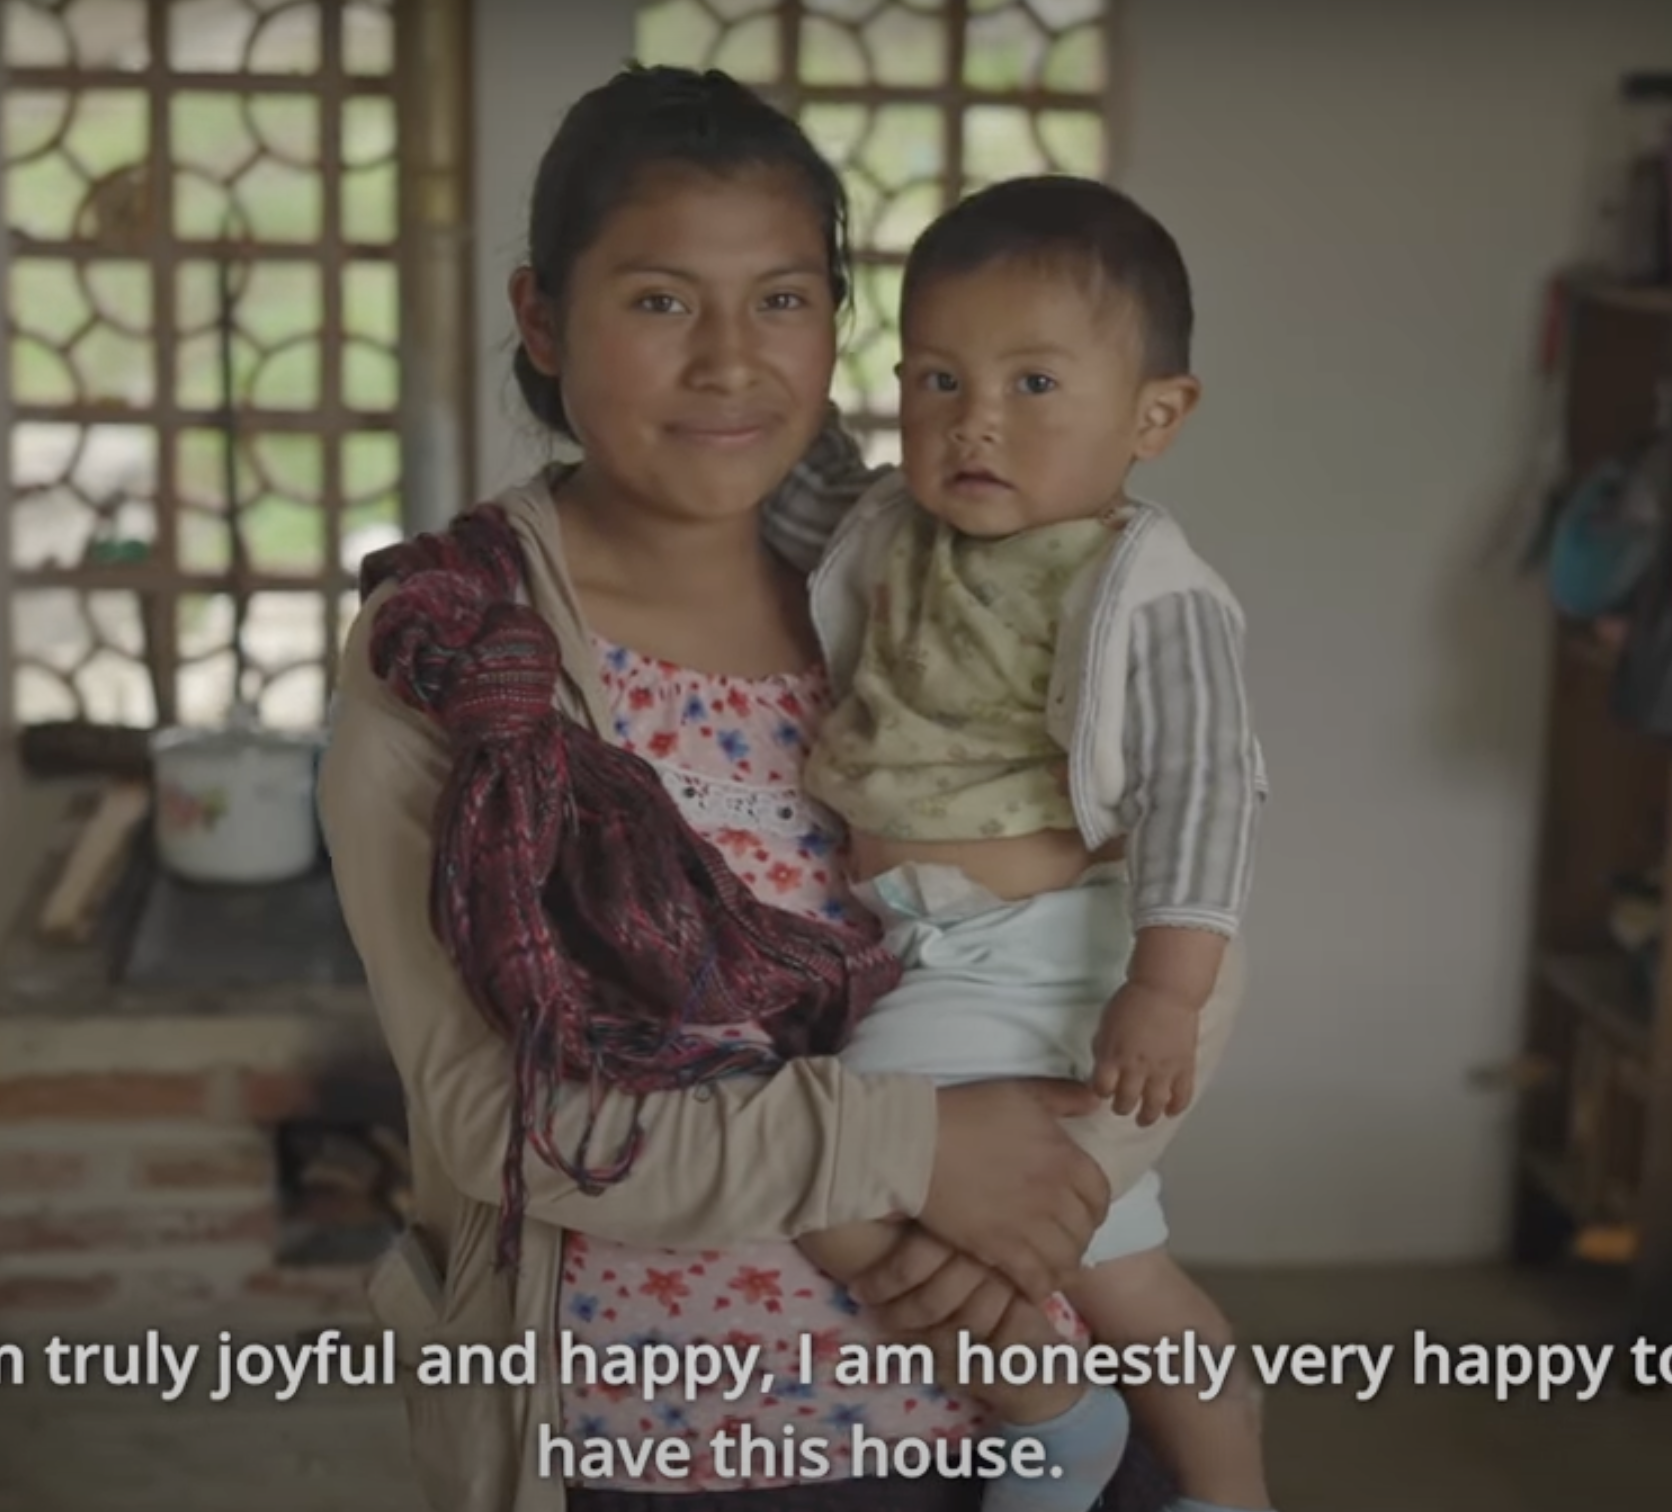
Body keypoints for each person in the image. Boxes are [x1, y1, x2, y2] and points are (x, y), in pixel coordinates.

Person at [319, 66, 1252, 1512]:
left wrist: (1035, 1183)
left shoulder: (930, 571)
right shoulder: (460, 649)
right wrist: (912, 1154)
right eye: (655, 301)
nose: (731, 363)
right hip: (662, 1452)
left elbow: (1170, 922)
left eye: (783, 299)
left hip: (1025, 1411)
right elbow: (497, 1124)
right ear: (540, 318)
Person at [784, 177, 1273, 1512]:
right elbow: (774, 474)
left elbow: (1200, 791)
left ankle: (1054, 1421)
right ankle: (1225, 1493)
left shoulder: (1146, 589)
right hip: (933, 954)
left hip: (1047, 966)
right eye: (934, 379)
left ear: (1154, 416)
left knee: (832, 1182)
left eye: (1034, 383)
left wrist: (1163, 992)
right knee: (1120, 1274)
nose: (972, 420)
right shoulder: (893, 526)